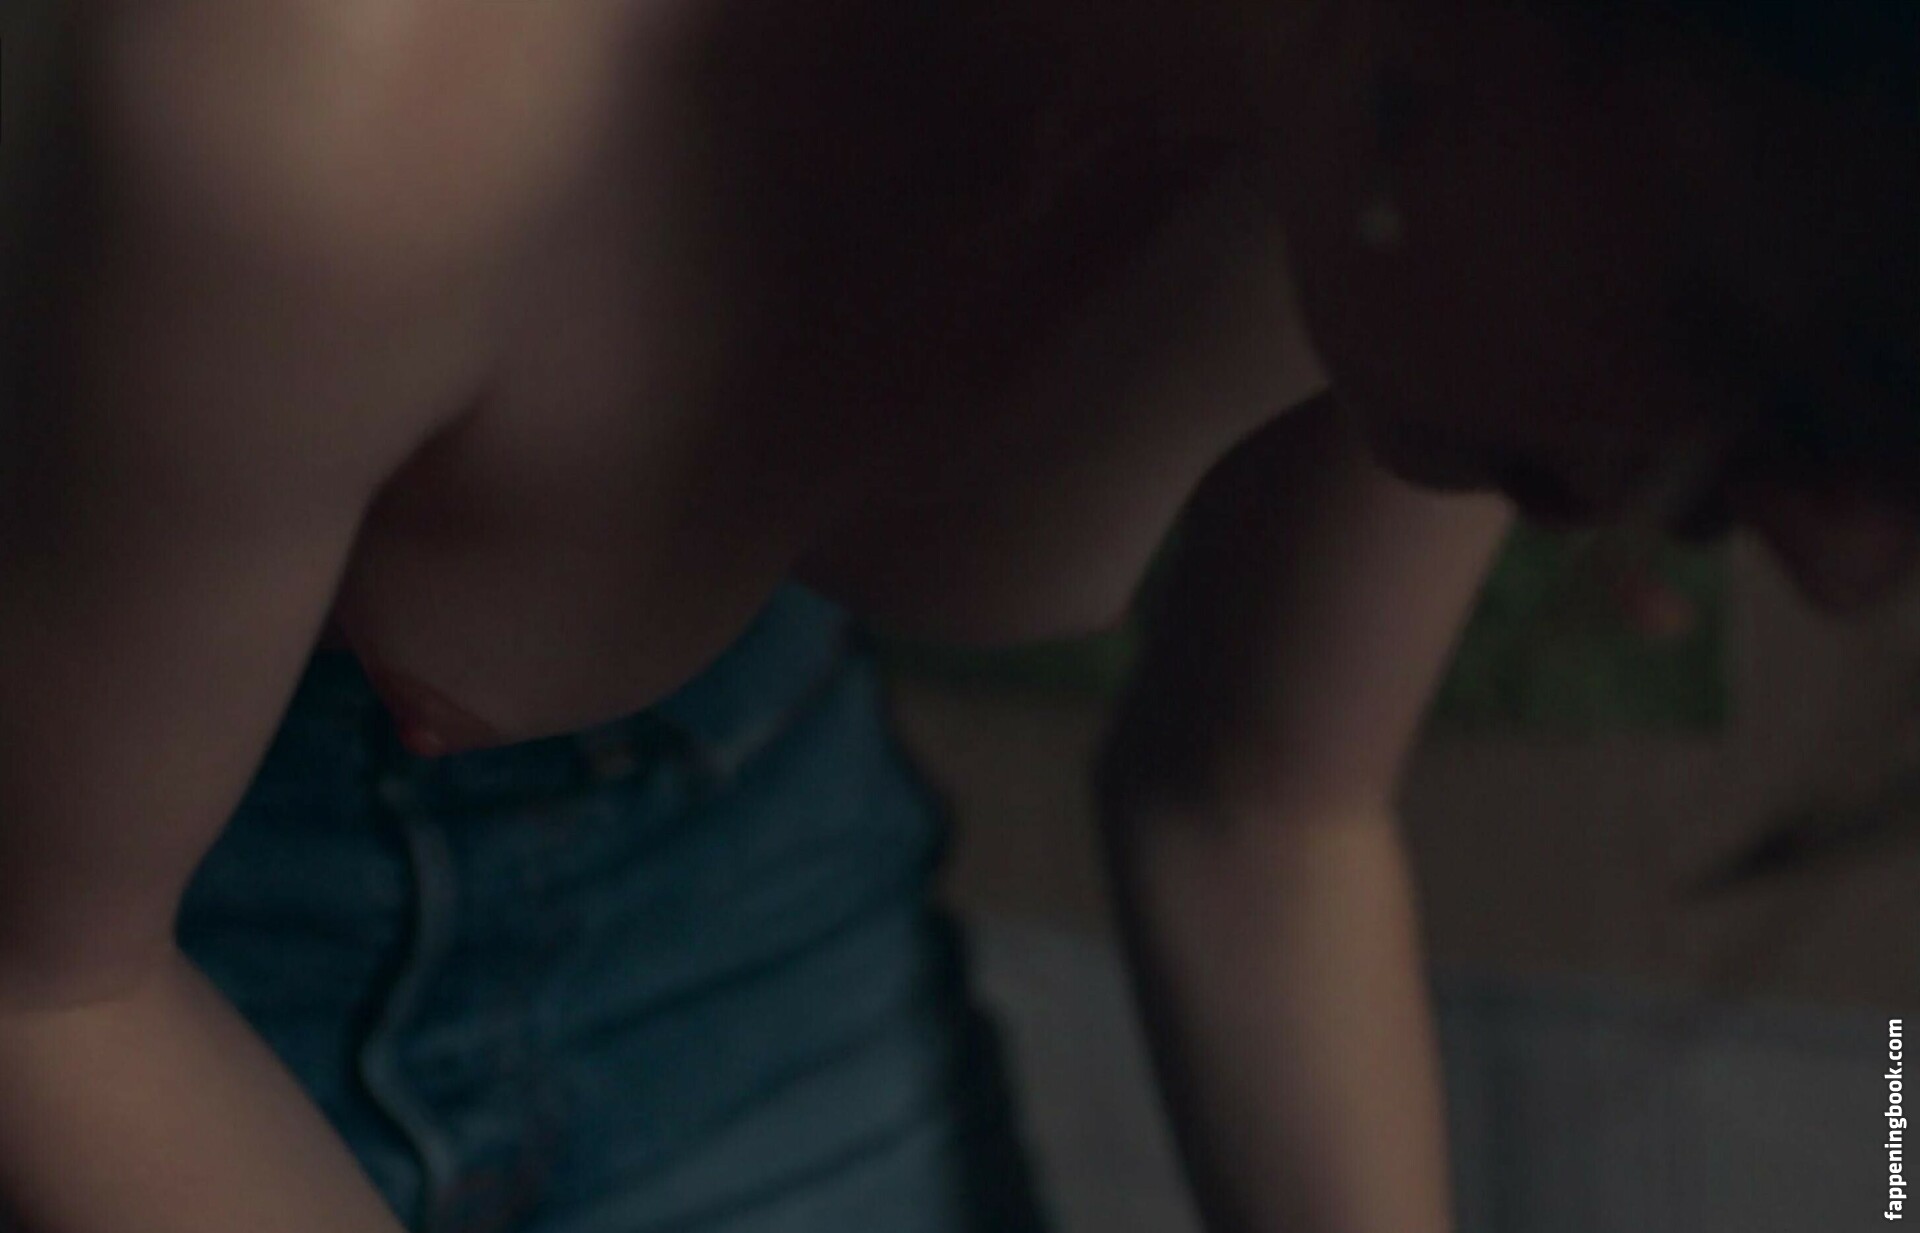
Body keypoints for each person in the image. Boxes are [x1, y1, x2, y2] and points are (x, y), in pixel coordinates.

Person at [2, 2, 1914, 1233]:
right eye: (1775, 375)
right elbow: (45, 984)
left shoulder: (1440, 171)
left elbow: (1264, 813)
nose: (1814, 565)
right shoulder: (358, 86)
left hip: (752, 903)